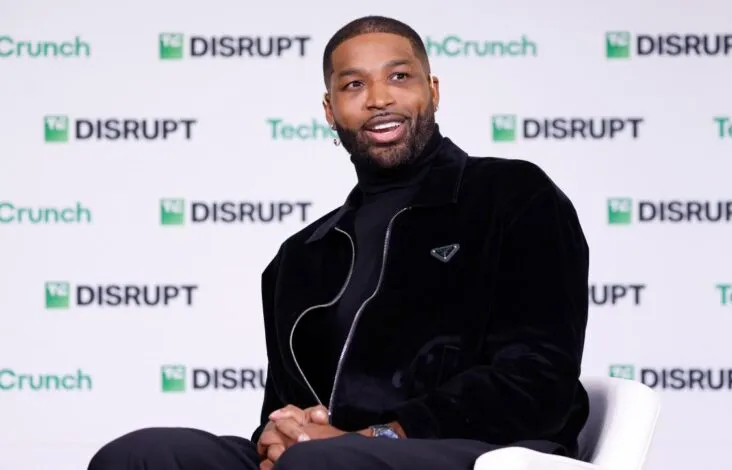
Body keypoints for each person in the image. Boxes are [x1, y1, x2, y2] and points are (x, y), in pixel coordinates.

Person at [88, 14, 590, 470]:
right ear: (331, 110)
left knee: (323, 466)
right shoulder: (301, 256)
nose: (379, 98)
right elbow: (285, 406)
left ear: (432, 90)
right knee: (140, 457)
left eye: (400, 76)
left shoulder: (511, 195)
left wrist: (382, 434)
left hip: (482, 448)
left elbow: (538, 379)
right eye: (354, 85)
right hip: (329, 455)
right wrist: (279, 435)